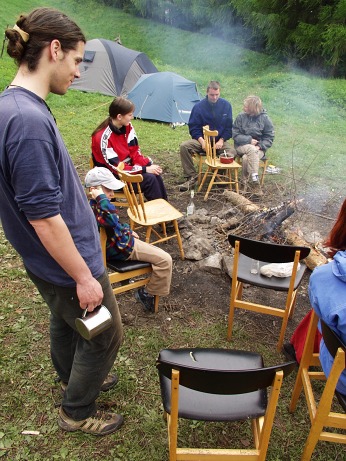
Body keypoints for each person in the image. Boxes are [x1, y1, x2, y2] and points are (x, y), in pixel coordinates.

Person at [0, 8, 124, 436]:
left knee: (64, 320)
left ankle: (73, 375)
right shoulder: (28, 122)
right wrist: (84, 276)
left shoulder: (12, 106)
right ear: (54, 50)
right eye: (76, 61)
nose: (77, 72)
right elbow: (44, 217)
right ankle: (77, 410)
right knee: (106, 334)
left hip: (48, 264)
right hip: (67, 260)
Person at [85, 167, 173, 312]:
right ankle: (147, 293)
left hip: (122, 242)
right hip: (123, 248)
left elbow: (114, 225)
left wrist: (127, 229)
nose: (112, 194)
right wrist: (101, 197)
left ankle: (132, 282)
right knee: (165, 260)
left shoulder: (95, 206)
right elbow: (111, 221)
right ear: (94, 190)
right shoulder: (99, 208)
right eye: (107, 190)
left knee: (155, 252)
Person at [284, 200, 346, 395]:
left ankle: (297, 349)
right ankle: (297, 349)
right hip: (341, 372)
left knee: (324, 306)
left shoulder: (323, 277)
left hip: (338, 369)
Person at [91, 97, 167, 201]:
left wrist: (147, 164)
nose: (132, 117)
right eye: (130, 115)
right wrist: (144, 169)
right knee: (150, 179)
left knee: (155, 174)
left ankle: (164, 209)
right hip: (112, 177)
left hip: (127, 169)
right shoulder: (102, 138)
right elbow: (117, 168)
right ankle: (159, 213)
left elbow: (135, 152)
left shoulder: (128, 127)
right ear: (119, 116)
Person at [178, 80, 236, 192]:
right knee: (184, 146)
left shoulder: (226, 106)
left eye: (216, 95)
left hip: (219, 142)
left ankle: (219, 177)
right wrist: (202, 141)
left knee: (231, 152)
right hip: (202, 141)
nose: (214, 97)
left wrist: (221, 141)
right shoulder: (198, 107)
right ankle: (191, 177)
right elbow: (193, 128)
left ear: (220, 92)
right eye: (211, 95)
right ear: (207, 93)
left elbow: (229, 128)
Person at [232, 95, 275, 195]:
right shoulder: (240, 117)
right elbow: (235, 135)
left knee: (247, 158)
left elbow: (269, 137)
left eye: (246, 106)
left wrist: (260, 146)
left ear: (252, 108)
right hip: (241, 146)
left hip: (258, 149)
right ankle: (255, 183)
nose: (243, 108)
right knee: (251, 149)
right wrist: (249, 140)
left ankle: (244, 184)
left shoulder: (265, 119)